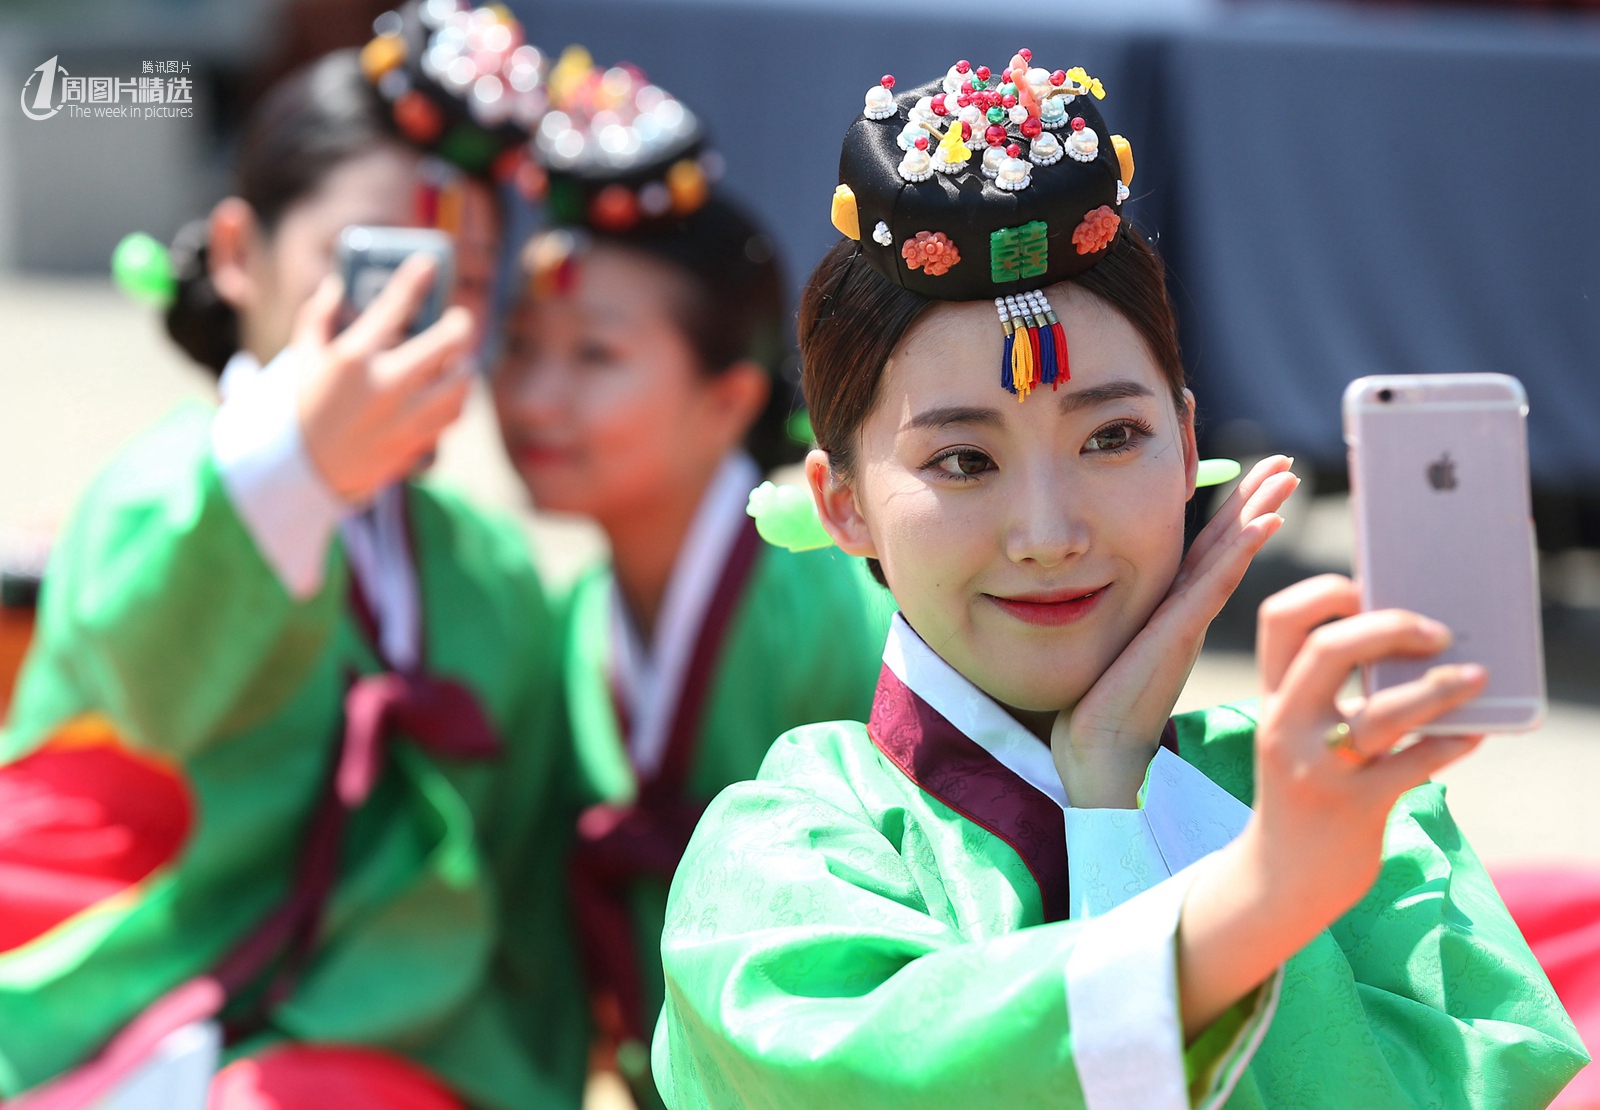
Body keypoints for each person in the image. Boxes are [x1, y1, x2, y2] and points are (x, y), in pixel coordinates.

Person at [651, 51, 1588, 1108]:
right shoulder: (786, 856)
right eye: (963, 460)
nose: (1048, 535)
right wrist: (1252, 887)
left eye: (1112, 436)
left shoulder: (1341, 805)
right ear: (841, 501)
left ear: (1190, 447)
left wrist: (1121, 785)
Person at [0, 7, 588, 1108]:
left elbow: (523, 893)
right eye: (369, 268)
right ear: (237, 254)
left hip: (395, 1052)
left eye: (460, 280)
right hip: (120, 1024)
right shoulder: (162, 494)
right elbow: (154, 688)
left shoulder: (488, 572)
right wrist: (297, 464)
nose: (416, 321)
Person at [493, 53, 895, 1105]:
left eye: (593, 357)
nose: (534, 396)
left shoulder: (836, 593)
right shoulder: (577, 617)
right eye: (521, 346)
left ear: (728, 399)